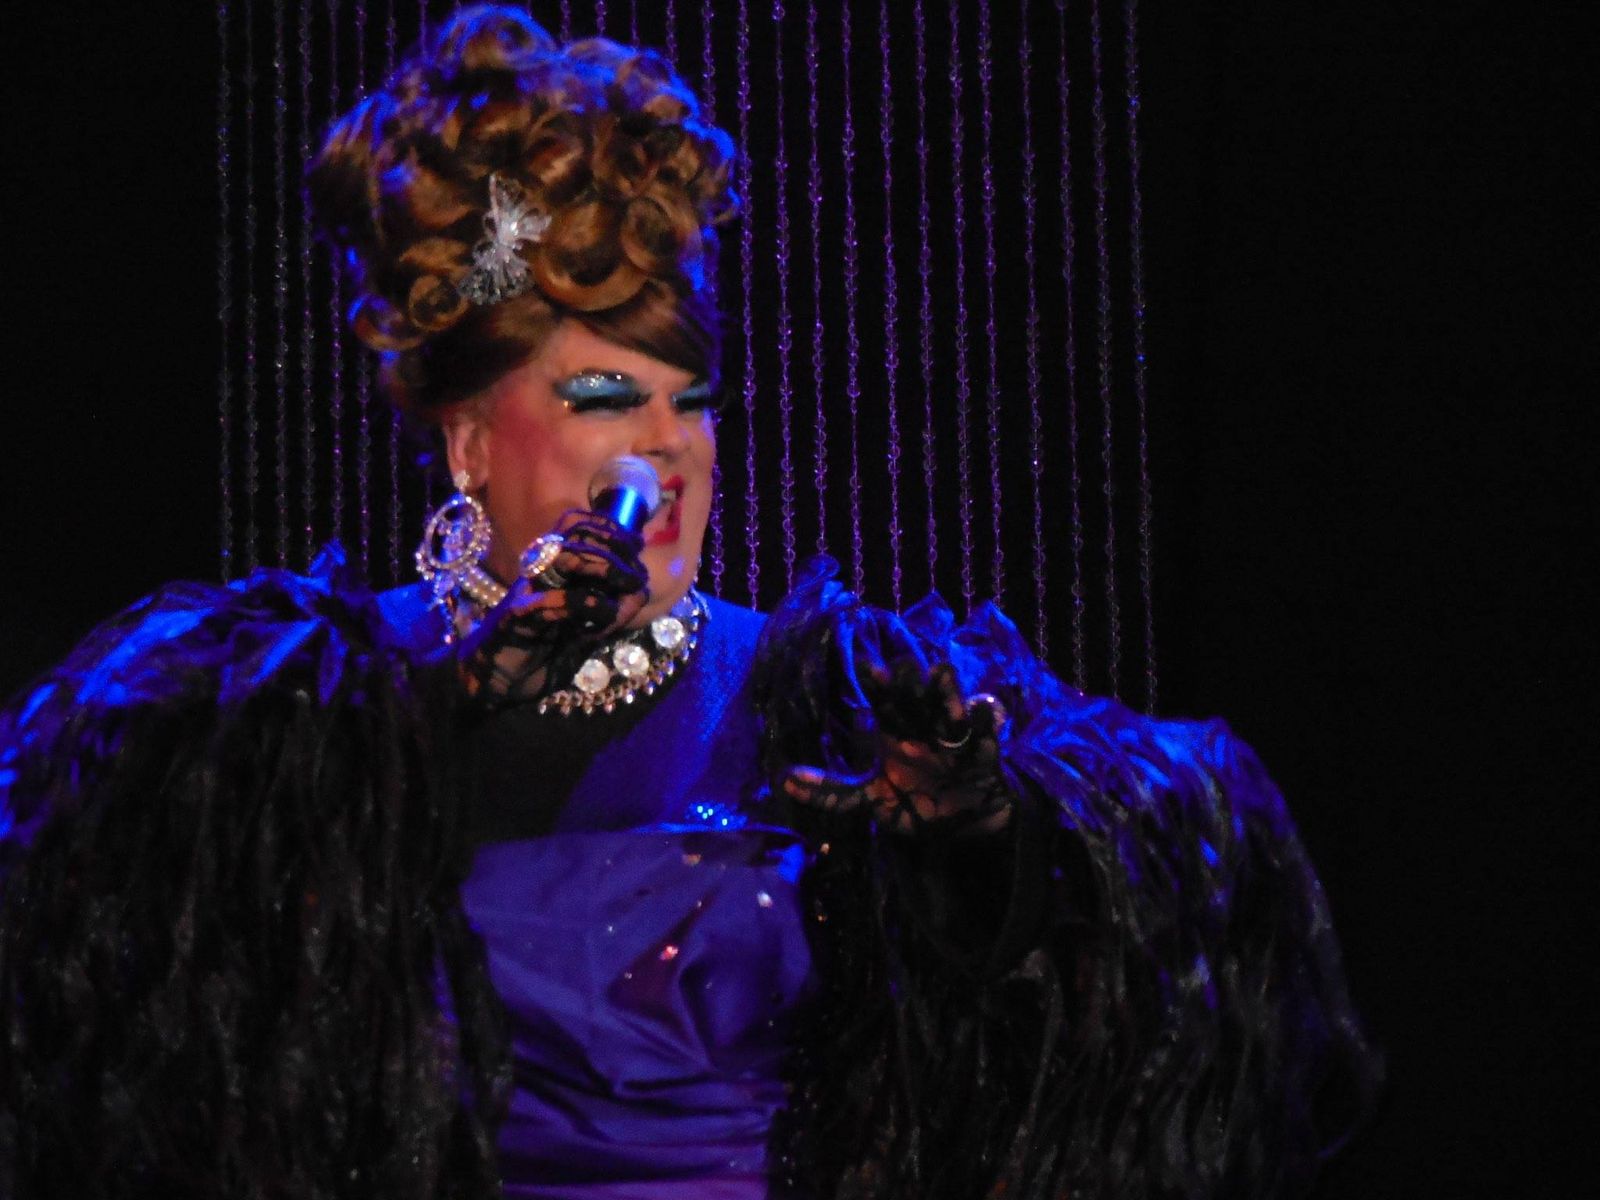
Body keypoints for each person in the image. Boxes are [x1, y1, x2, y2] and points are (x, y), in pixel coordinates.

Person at [0, 6, 1378, 1198]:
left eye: (692, 400)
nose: (667, 447)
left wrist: (984, 845)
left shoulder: (827, 698)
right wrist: (446, 710)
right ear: (472, 441)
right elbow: (121, 952)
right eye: (607, 395)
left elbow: (1112, 975)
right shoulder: (295, 720)